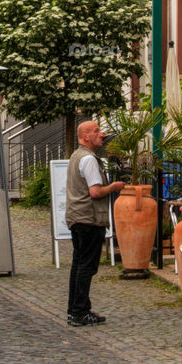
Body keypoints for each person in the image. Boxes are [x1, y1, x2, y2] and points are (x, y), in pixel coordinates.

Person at [65, 120, 125, 327]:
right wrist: (114, 187)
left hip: (77, 217)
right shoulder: (89, 159)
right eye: (96, 131)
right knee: (86, 266)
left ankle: (75, 310)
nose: (101, 134)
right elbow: (95, 191)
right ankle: (80, 311)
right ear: (85, 137)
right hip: (89, 218)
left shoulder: (76, 156)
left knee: (78, 264)